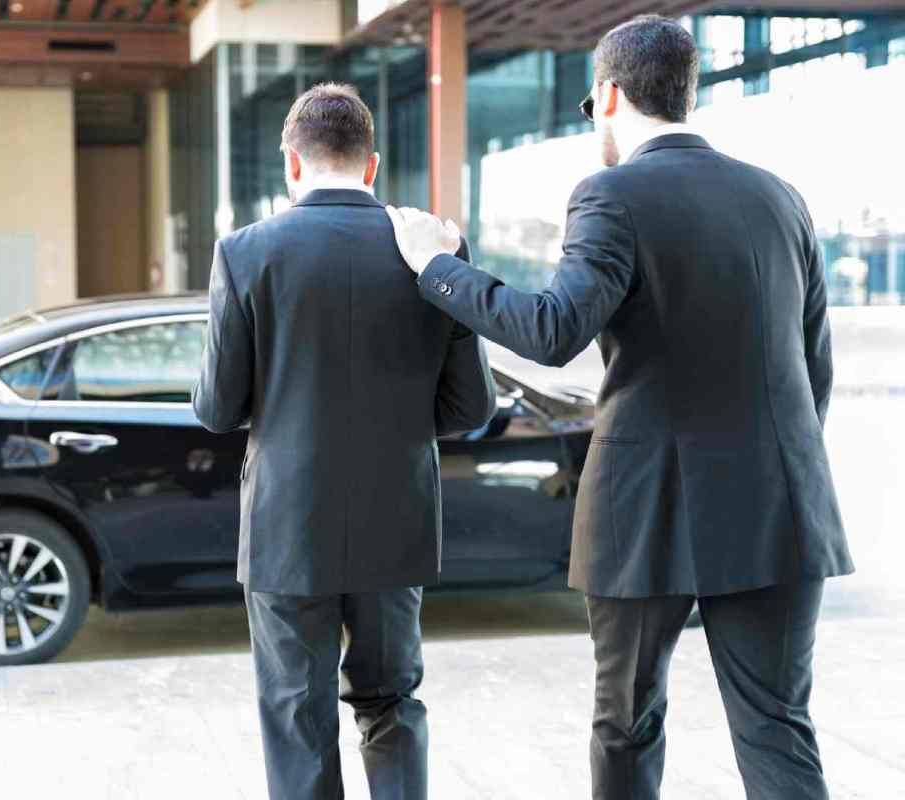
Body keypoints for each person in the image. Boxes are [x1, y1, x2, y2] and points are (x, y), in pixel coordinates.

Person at [386, 15, 853, 800]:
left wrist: (437, 265)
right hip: (779, 505)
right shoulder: (781, 197)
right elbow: (815, 368)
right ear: (686, 92)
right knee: (777, 728)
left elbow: (553, 330)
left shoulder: (611, 193)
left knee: (627, 722)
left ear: (607, 95)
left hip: (647, 511)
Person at [192, 83, 495, 800]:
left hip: (286, 528)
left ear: (290, 164)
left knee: (298, 716)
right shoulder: (434, 248)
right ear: (372, 165)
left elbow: (215, 409)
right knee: (391, 702)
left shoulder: (244, 253)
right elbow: (471, 404)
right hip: (398, 521)